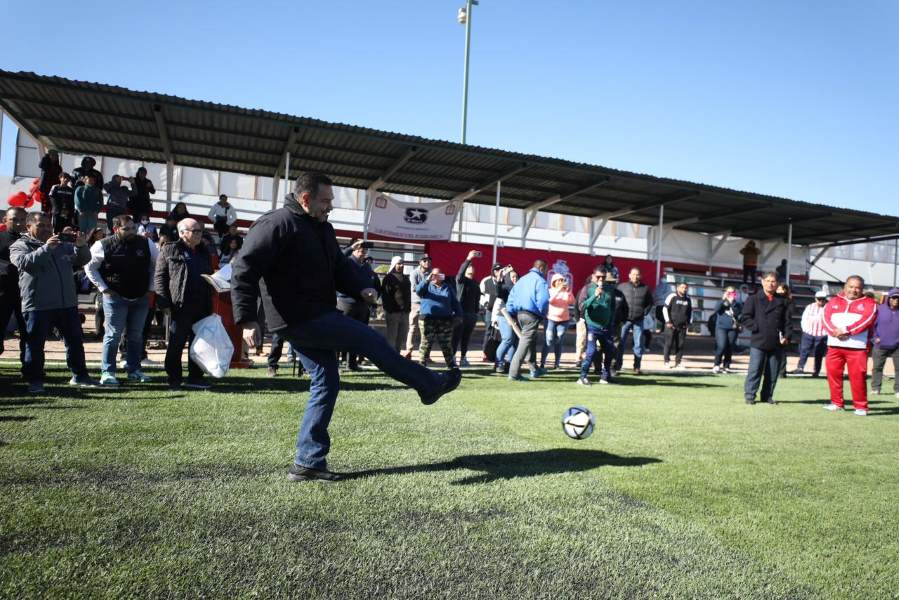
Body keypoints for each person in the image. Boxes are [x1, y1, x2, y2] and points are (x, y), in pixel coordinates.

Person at [231, 172, 461, 482]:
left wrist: (362, 289)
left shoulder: (321, 228)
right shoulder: (275, 224)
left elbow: (339, 267)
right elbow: (244, 269)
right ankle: (429, 384)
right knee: (370, 340)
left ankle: (308, 462)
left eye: (331, 201)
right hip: (297, 316)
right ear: (305, 199)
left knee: (326, 381)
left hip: (315, 313)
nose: (331, 206)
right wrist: (246, 319)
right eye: (326, 201)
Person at [10, 214, 97, 393]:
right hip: (37, 305)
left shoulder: (62, 245)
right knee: (35, 345)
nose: (47, 229)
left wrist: (81, 246)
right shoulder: (20, 246)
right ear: (28, 227)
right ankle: (35, 381)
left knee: (74, 342)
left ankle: (79, 376)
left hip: (66, 304)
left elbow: (83, 260)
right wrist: (47, 248)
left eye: (49, 225)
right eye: (41, 225)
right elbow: (26, 263)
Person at [85, 215, 157, 385]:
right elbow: (89, 267)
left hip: (140, 296)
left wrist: (151, 288)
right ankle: (108, 372)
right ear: (116, 228)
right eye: (126, 229)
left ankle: (134, 370)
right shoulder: (102, 245)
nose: (131, 231)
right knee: (113, 335)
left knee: (136, 336)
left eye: (133, 228)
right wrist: (103, 288)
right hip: (115, 297)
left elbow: (156, 265)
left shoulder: (147, 243)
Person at [154, 218, 214, 390]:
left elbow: (208, 273)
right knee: (176, 343)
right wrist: (163, 303)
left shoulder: (204, 251)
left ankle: (195, 377)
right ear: (182, 233)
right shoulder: (170, 249)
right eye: (194, 231)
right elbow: (160, 277)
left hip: (202, 304)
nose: (198, 234)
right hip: (179, 305)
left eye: (200, 231)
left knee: (199, 344)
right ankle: (174, 378)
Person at [822, 275, 877, 415]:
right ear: (845, 287)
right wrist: (834, 332)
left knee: (858, 377)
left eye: (857, 287)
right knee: (833, 375)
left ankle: (861, 407)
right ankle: (836, 403)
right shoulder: (833, 301)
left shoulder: (870, 303)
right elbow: (825, 318)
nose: (853, 290)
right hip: (834, 345)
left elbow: (867, 321)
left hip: (857, 347)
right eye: (851, 286)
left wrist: (847, 330)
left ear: (862, 289)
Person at [740, 272, 791, 405]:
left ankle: (767, 396)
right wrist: (757, 327)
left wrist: (786, 336)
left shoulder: (783, 301)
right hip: (759, 339)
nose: (770, 283)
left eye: (773, 281)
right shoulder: (753, 299)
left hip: (776, 341)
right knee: (755, 369)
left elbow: (787, 321)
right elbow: (745, 317)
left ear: (777, 284)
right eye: (767, 280)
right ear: (762, 282)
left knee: (772, 372)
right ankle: (750, 395)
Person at [337, 240, 378, 371]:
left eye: (364, 251)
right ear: (354, 250)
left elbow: (370, 282)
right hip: (346, 303)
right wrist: (350, 247)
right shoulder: (347, 262)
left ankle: (352, 363)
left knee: (357, 335)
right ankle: (335, 363)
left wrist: (372, 293)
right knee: (340, 334)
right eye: (360, 250)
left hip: (362, 305)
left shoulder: (366, 266)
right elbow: (337, 259)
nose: (363, 253)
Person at [506, 259, 550, 381]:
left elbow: (512, 296)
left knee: (530, 341)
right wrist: (543, 312)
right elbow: (544, 300)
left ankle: (534, 369)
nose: (546, 272)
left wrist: (510, 313)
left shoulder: (522, 279)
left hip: (520, 314)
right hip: (532, 315)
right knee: (525, 343)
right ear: (542, 268)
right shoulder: (541, 281)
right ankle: (514, 373)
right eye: (546, 270)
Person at [416, 267, 463, 368]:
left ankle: (451, 364)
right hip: (428, 319)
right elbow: (418, 291)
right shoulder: (427, 286)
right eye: (435, 275)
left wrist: (459, 315)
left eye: (440, 274)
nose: (437, 277)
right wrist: (427, 280)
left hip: (445, 320)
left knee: (446, 343)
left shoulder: (448, 287)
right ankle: (422, 363)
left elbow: (455, 302)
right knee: (426, 342)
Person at [578, 272, 617, 386]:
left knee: (610, 351)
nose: (601, 279)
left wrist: (610, 322)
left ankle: (605, 376)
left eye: (603, 277)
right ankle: (582, 376)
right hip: (592, 326)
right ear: (593, 276)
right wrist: (594, 296)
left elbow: (612, 307)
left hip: (606, 327)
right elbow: (581, 306)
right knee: (591, 351)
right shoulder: (587, 288)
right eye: (598, 277)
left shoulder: (610, 289)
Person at [0, 208, 28, 364]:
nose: (19, 223)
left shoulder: (30, 240)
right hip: (3, 292)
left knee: (29, 334)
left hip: (26, 294)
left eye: (23, 220)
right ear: (5, 220)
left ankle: (30, 369)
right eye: (14, 219)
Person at [615, 267, 654, 375]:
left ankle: (637, 366)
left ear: (640, 276)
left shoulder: (645, 288)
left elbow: (650, 303)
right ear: (629, 275)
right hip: (625, 320)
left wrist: (644, 312)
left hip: (638, 320)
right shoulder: (622, 287)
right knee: (620, 343)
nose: (635, 276)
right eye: (633, 274)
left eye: (637, 274)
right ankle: (617, 365)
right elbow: (618, 302)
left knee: (638, 344)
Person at [453, 250, 482, 367]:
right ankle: (452, 357)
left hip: (471, 315)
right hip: (460, 314)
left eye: (472, 271)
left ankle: (463, 358)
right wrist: (468, 259)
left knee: (466, 338)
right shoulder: (461, 281)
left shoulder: (475, 283)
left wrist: (475, 313)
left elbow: (477, 299)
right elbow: (460, 274)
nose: (471, 273)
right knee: (456, 337)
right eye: (468, 271)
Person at [541, 273, 574, 370]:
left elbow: (571, 301)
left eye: (562, 280)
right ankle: (542, 362)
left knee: (559, 341)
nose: (561, 282)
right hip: (550, 319)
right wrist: (558, 291)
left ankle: (557, 363)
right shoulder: (550, 291)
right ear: (554, 282)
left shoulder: (565, 291)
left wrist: (568, 291)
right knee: (549, 340)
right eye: (559, 280)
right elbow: (549, 301)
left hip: (563, 320)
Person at [792, 291, 828, 377]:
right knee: (804, 351)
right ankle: (800, 368)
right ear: (815, 299)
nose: (821, 301)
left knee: (819, 353)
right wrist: (805, 329)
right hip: (809, 333)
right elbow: (804, 319)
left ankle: (816, 371)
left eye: (823, 299)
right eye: (819, 299)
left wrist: (826, 332)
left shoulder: (828, 307)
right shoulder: (809, 307)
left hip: (822, 334)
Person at [871, 289, 899, 398]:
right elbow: (871, 325)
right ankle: (876, 388)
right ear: (889, 299)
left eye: (898, 298)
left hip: (897, 346)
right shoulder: (879, 309)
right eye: (893, 297)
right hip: (880, 345)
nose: (896, 300)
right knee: (877, 367)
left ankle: (898, 390)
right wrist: (875, 338)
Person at [404, 254, 432, 360]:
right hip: (416, 303)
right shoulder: (414, 273)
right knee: (413, 328)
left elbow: (434, 287)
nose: (427, 262)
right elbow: (414, 288)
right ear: (420, 262)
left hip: (427, 304)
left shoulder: (432, 273)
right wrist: (426, 286)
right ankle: (408, 351)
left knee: (426, 330)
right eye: (424, 260)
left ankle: (424, 354)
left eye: (428, 260)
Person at [381, 256, 411, 353]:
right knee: (392, 337)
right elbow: (385, 295)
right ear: (394, 264)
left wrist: (407, 309)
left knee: (401, 337)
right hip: (393, 312)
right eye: (399, 263)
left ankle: (397, 356)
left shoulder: (406, 278)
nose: (401, 265)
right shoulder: (388, 278)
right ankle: (390, 356)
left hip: (405, 312)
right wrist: (389, 310)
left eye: (402, 263)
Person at [712, 286, 745, 373]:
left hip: (733, 328)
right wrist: (724, 300)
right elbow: (716, 310)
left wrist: (732, 304)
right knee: (721, 346)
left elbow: (740, 315)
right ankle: (716, 364)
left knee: (730, 346)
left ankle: (726, 365)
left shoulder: (737, 303)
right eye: (729, 292)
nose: (731, 294)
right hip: (721, 327)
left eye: (733, 292)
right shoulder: (721, 301)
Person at [492, 269, 519, 374]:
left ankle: (510, 365)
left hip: (515, 316)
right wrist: (499, 280)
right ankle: (498, 363)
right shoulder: (506, 287)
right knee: (507, 339)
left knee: (513, 342)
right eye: (512, 277)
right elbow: (498, 292)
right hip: (504, 315)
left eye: (516, 277)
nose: (514, 279)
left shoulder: (520, 288)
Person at [479, 263, 506, 360]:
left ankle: (497, 353)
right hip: (490, 310)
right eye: (496, 269)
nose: (497, 271)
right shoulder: (486, 281)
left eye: (499, 269)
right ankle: (485, 353)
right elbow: (481, 294)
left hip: (501, 311)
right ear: (493, 271)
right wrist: (485, 304)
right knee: (489, 330)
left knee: (500, 332)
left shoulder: (505, 280)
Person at [662, 281, 692, 369]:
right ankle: (666, 361)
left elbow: (690, 312)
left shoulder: (688, 299)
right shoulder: (672, 296)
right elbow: (664, 309)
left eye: (686, 288)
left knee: (680, 345)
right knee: (669, 344)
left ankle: (678, 362)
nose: (684, 289)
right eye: (682, 287)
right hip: (671, 326)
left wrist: (689, 323)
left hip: (682, 326)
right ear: (677, 288)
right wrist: (668, 321)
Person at [775, 283, 795, 377]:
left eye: (781, 289)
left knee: (782, 353)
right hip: (773, 329)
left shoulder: (789, 301)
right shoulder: (773, 300)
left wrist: (786, 336)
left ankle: (782, 372)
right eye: (778, 289)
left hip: (783, 329)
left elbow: (788, 319)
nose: (779, 291)